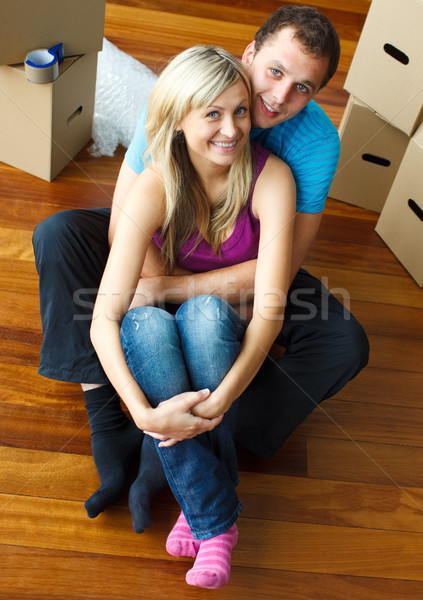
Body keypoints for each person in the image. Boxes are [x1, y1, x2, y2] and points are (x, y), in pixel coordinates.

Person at [32, 5, 369, 523]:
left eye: (304, 87)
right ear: (250, 54)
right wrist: (152, 279)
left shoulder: (314, 146)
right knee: (58, 236)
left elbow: (274, 271)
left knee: (344, 341)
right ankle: (108, 421)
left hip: (246, 262)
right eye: (275, 72)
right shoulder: (190, 90)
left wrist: (171, 291)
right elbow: (125, 222)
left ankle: (207, 427)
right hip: (165, 238)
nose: (280, 97)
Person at [90, 44, 295, 589]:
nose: (232, 129)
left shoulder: (271, 180)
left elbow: (271, 314)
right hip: (158, 323)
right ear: (179, 118)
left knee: (204, 313)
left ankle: (199, 508)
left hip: (224, 333)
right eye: (212, 113)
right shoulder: (154, 184)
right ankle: (213, 513)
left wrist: (223, 398)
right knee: (145, 323)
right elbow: (103, 319)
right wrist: (141, 413)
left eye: (240, 111)